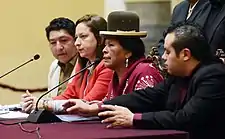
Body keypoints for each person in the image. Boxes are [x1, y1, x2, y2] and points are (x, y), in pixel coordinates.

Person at [62, 22, 225, 139]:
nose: (163, 57)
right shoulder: (178, 76)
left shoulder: (213, 77)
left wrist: (134, 119)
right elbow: (147, 96)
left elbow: (185, 118)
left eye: (168, 52)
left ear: (185, 55)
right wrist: (97, 107)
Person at [21, 14, 113, 113]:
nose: (77, 43)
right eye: (76, 37)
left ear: (100, 39)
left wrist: (45, 104)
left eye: (83, 37)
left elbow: (87, 103)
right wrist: (39, 102)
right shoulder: (84, 64)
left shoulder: (107, 66)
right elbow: (69, 95)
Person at [100, 11, 163, 100]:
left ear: (128, 52)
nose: (104, 50)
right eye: (105, 45)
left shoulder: (145, 72)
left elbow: (141, 108)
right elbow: (107, 103)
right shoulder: (116, 76)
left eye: (111, 45)